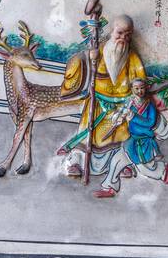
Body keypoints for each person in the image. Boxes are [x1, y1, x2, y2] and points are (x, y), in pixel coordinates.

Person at [58, 14, 147, 180]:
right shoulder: (96, 53)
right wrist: (89, 59)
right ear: (112, 31)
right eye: (119, 33)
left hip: (121, 108)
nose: (123, 38)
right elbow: (82, 73)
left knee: (120, 138)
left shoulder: (132, 57)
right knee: (87, 136)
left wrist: (134, 97)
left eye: (127, 35)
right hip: (97, 104)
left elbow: (139, 80)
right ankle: (77, 163)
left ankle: (119, 165)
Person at [95, 77, 168, 198]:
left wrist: (133, 117)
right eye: (136, 88)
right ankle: (110, 187)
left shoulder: (149, 106)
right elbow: (122, 113)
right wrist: (118, 118)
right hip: (132, 140)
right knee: (117, 160)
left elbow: (150, 123)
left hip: (144, 141)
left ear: (145, 89)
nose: (139, 91)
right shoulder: (129, 103)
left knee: (145, 169)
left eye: (142, 88)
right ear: (132, 89)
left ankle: (163, 171)